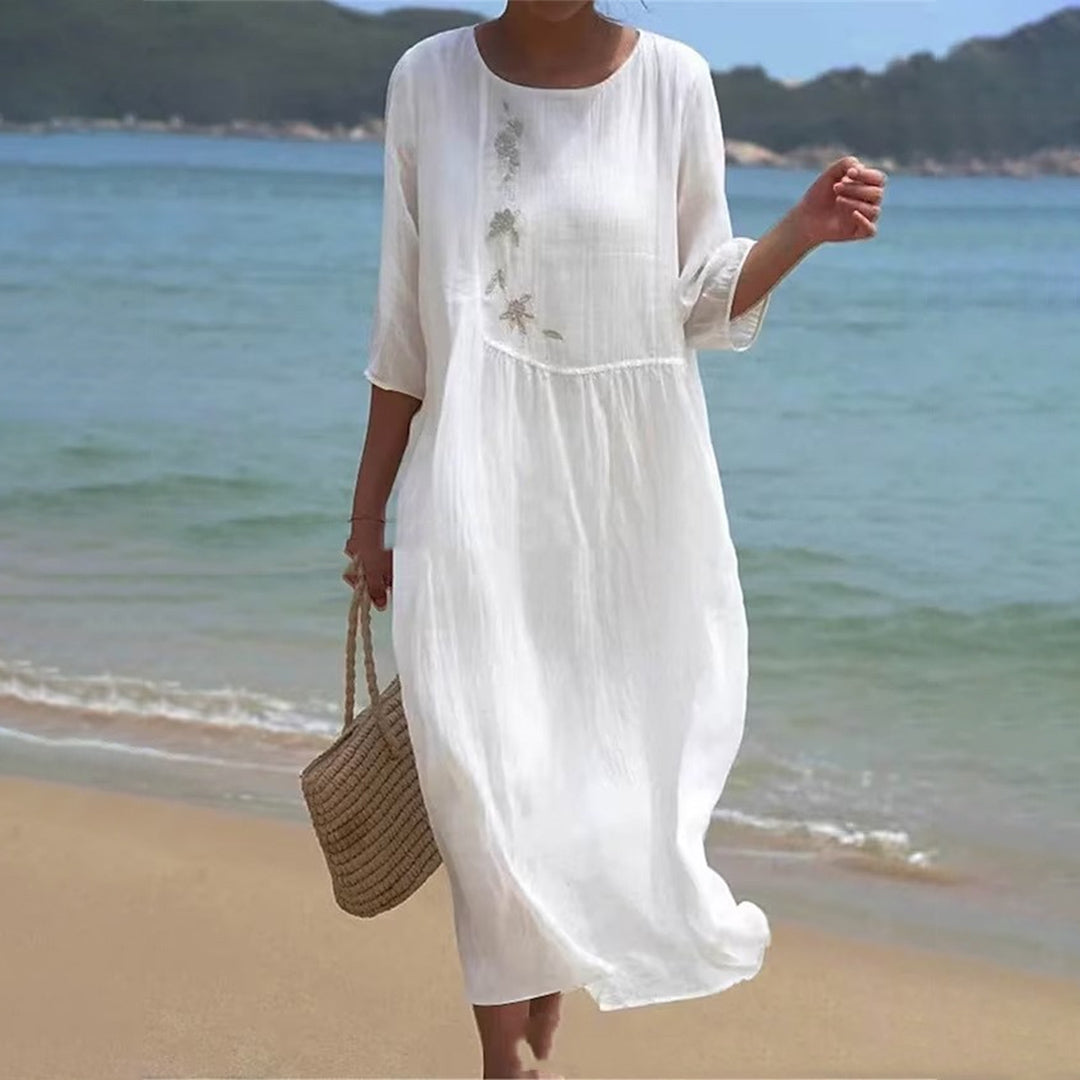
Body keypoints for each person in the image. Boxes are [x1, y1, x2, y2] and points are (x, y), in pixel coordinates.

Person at [343, 2, 886, 1076]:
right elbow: (405, 320)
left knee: (596, 760)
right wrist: (369, 517)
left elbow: (699, 298)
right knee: (476, 764)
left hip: (633, 496)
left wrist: (800, 233)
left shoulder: (674, 80)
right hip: (474, 478)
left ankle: (547, 968)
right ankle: (502, 1055)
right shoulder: (428, 79)